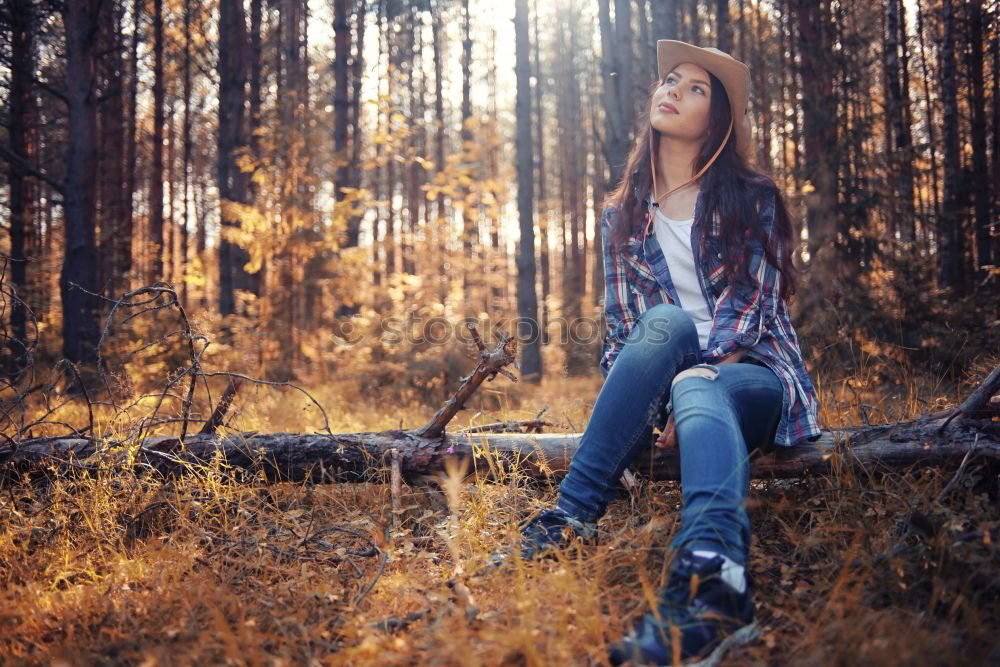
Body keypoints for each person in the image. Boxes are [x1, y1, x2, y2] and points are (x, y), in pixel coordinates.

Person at [494, 40, 823, 665]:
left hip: (752, 377)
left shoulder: (753, 196)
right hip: (668, 378)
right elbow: (623, 333)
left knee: (701, 382)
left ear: (717, 118)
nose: (673, 90)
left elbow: (752, 314)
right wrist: (656, 397)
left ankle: (708, 583)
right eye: (670, 79)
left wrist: (690, 380)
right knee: (663, 323)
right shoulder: (621, 214)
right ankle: (573, 521)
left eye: (696, 88)